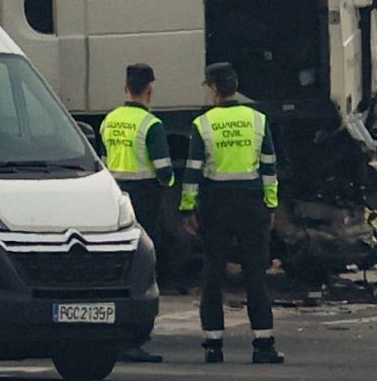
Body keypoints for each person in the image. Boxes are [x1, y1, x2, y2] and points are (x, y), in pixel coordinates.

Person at [179, 63, 283, 365]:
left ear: (213, 89)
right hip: (251, 203)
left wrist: (188, 209)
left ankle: (213, 345)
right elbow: (269, 168)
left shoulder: (204, 124)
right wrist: (271, 205)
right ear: (235, 86)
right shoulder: (258, 120)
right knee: (255, 274)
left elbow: (193, 172)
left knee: (213, 274)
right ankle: (263, 344)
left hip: (216, 204)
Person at [99, 63, 177, 364]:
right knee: (144, 268)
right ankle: (135, 336)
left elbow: (104, 160)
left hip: (116, 196)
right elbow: (164, 171)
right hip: (145, 199)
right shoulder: (151, 125)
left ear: (125, 88)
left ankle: (114, 331)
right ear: (150, 89)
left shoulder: (109, 120)